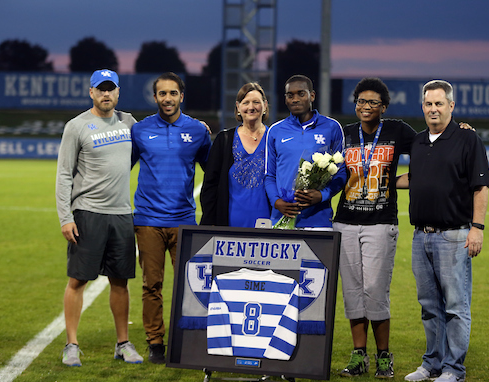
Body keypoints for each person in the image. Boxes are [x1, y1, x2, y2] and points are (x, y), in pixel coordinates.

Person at [402, 80, 489, 382]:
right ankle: (432, 363)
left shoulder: (467, 139)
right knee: (429, 305)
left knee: (455, 306)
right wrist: (375, 180)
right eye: (428, 104)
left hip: (454, 235)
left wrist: (477, 228)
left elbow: (480, 187)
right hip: (421, 237)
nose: (433, 109)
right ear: (423, 106)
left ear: (451, 106)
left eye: (439, 104)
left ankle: (454, 369)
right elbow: (415, 178)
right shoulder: (417, 142)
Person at [55, 69, 143, 366]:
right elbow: (64, 174)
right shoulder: (76, 126)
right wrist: (65, 217)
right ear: (91, 92)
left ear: (118, 92)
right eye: (100, 89)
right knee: (78, 280)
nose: (106, 94)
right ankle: (71, 345)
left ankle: (123, 343)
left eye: (111, 89)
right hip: (88, 213)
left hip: (121, 214)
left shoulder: (129, 122)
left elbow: (154, 138)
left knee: (120, 281)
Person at [333, 78, 416, 378]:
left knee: (374, 291)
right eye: (361, 101)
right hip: (345, 221)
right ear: (355, 104)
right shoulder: (344, 133)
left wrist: (395, 182)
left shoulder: (397, 131)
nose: (366, 107)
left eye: (373, 102)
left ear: (383, 106)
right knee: (353, 291)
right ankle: (359, 356)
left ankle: (383, 356)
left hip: (380, 222)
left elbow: (428, 149)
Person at [131, 72, 211, 363]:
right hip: (148, 220)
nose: (167, 98)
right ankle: (155, 343)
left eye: (172, 93)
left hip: (183, 221)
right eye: (162, 94)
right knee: (151, 285)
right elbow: (120, 170)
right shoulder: (139, 130)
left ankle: (186, 340)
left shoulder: (197, 131)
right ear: (155, 97)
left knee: (189, 285)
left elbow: (212, 173)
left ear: (181, 95)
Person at [264, 74, 345, 229]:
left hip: (318, 219)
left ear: (312, 96)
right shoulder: (275, 130)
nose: (295, 99)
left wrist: (322, 195)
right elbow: (269, 175)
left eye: (301, 94)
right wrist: (276, 202)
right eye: (290, 95)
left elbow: (341, 173)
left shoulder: (332, 127)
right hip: (282, 217)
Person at [200, 82, 271, 227]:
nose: (251, 107)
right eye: (246, 103)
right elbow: (210, 185)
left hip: (268, 226)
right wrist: (210, 220)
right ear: (238, 107)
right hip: (229, 225)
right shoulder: (224, 140)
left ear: (264, 105)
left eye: (256, 102)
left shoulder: (274, 138)